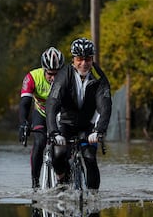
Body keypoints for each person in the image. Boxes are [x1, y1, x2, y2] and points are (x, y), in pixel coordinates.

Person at [46, 38, 112, 189]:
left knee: (89, 157)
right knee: (59, 153)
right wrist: (54, 132)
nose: (84, 63)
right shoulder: (64, 75)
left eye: (88, 59)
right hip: (65, 123)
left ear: (92, 59)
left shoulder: (99, 77)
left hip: (88, 125)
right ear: (73, 59)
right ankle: (62, 180)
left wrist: (99, 130)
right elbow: (52, 104)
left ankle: (93, 202)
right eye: (79, 59)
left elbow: (105, 107)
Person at [19, 47, 65, 189]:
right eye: (50, 74)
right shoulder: (32, 77)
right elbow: (25, 103)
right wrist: (23, 123)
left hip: (60, 114)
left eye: (57, 74)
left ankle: (65, 177)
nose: (53, 78)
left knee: (64, 146)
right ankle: (35, 183)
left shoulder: (68, 77)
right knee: (39, 142)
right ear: (44, 69)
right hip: (42, 114)